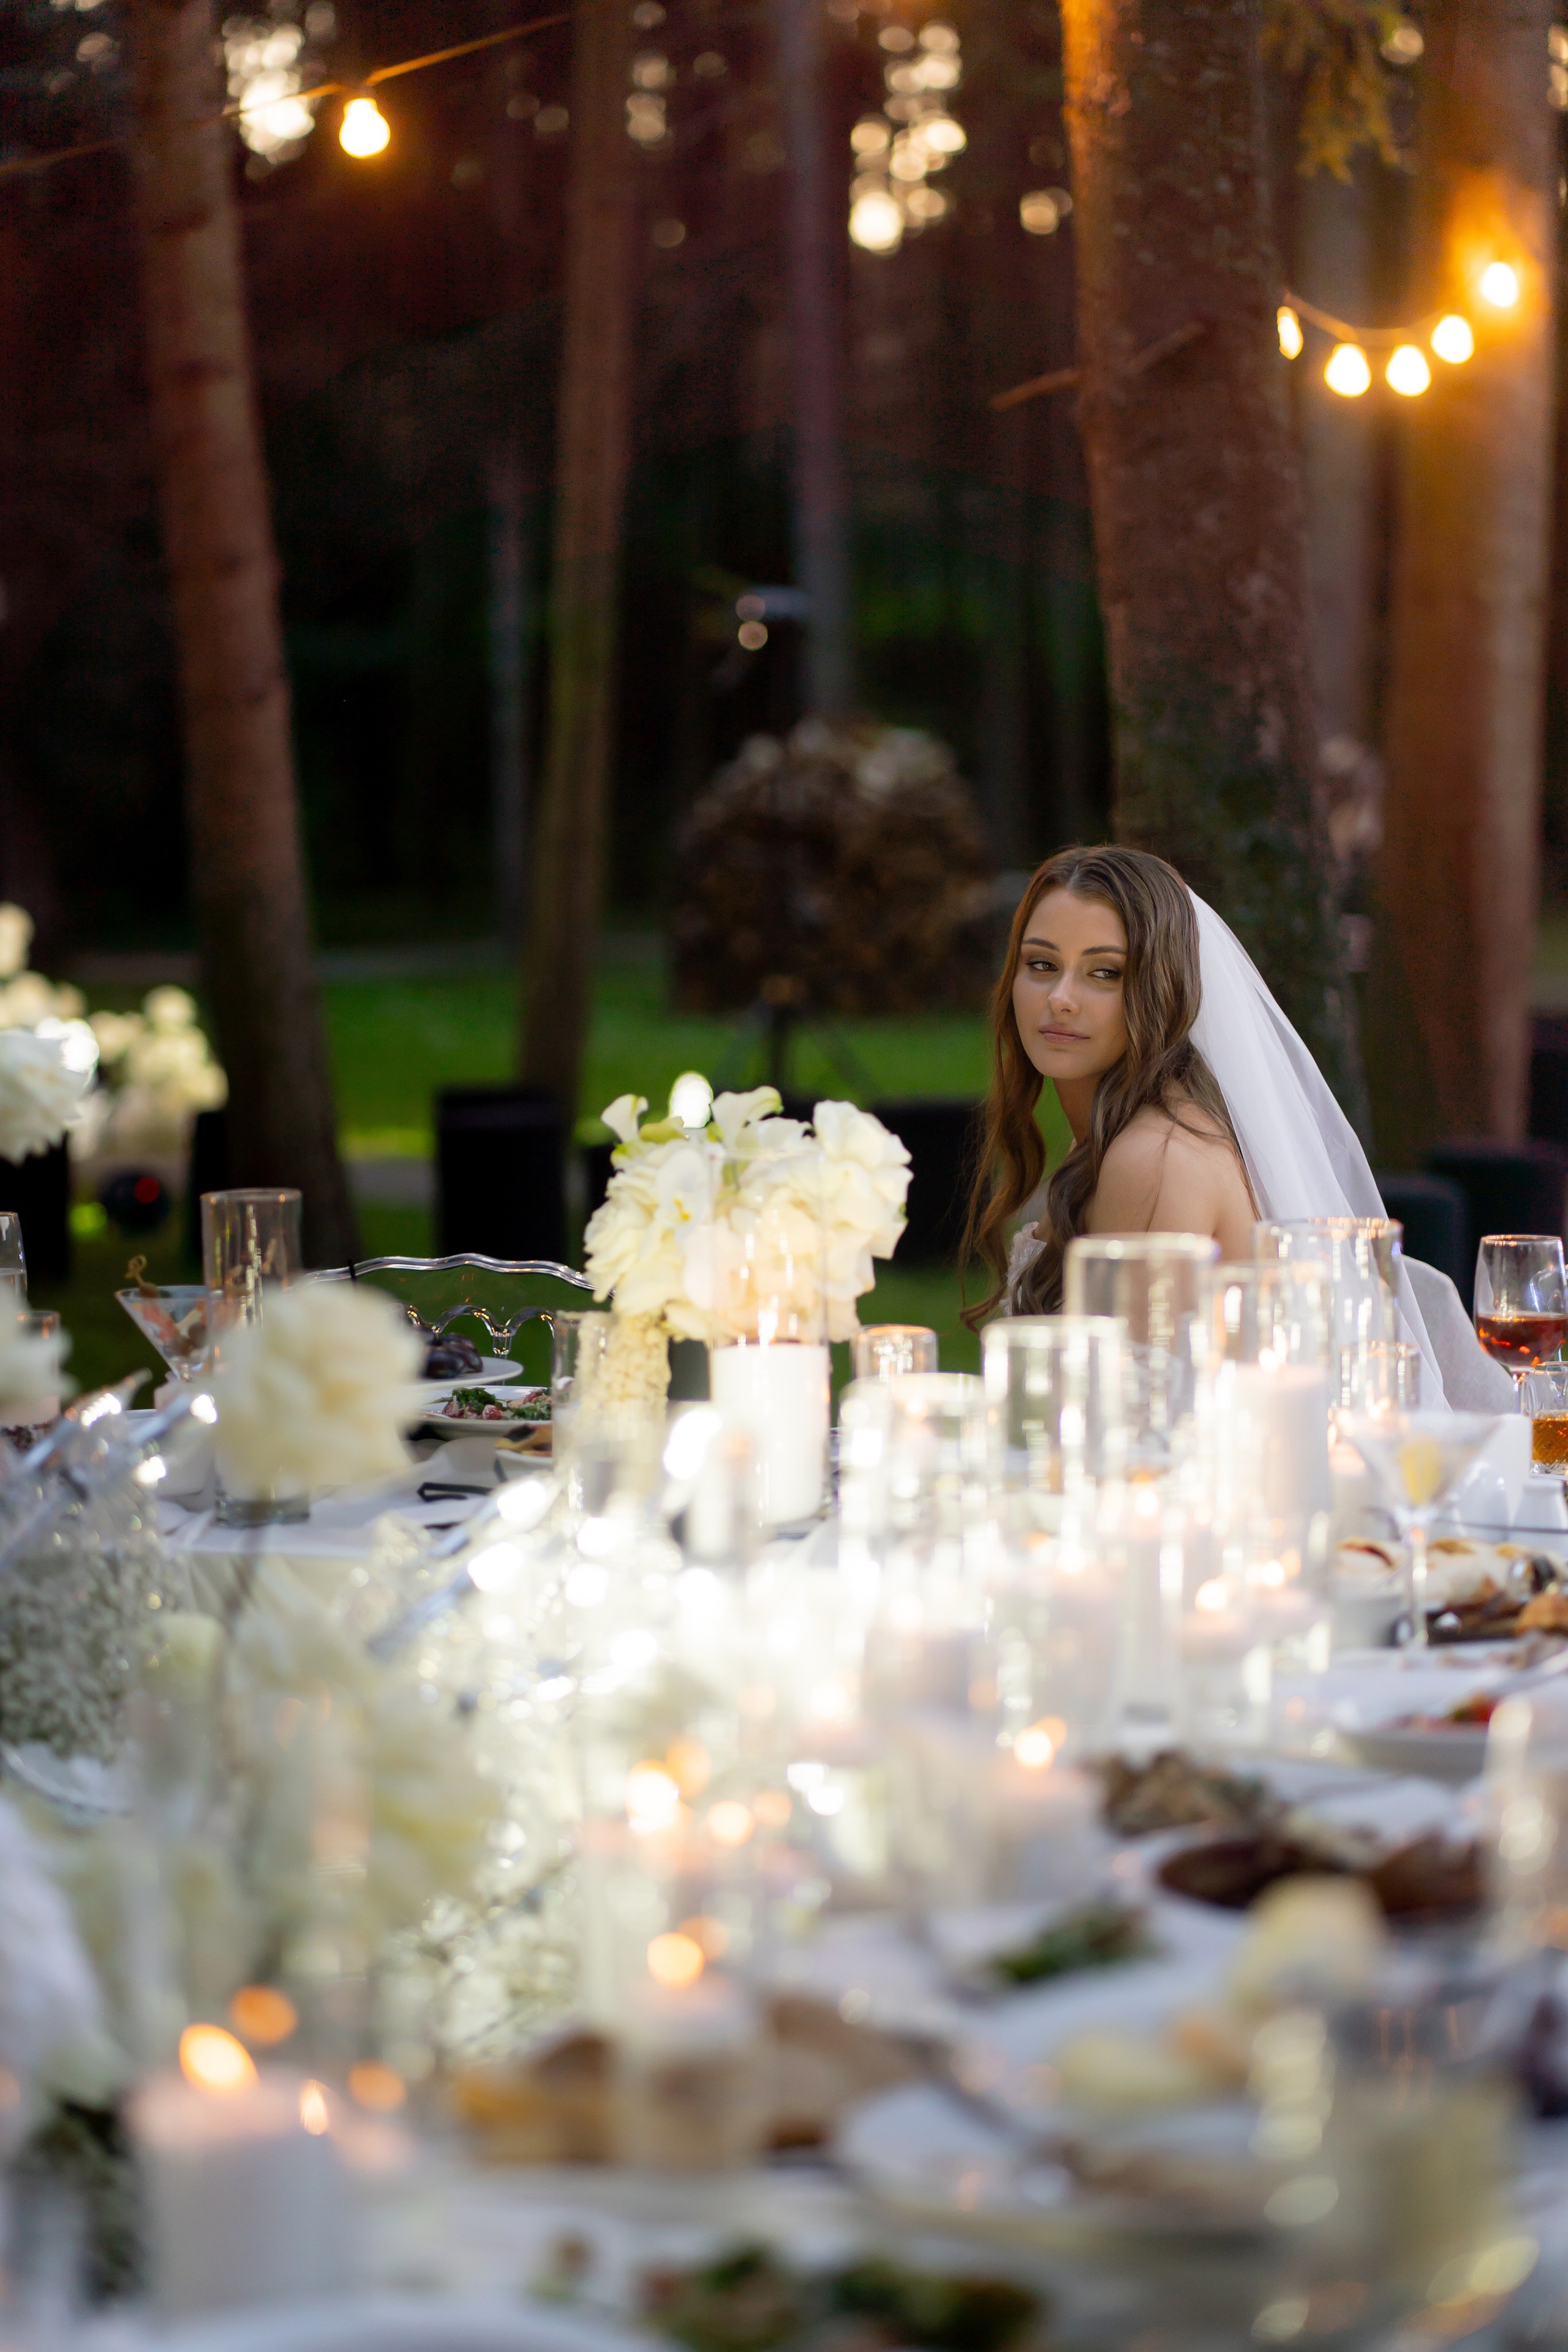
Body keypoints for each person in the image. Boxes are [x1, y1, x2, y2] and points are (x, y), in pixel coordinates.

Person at [960, 845, 1510, 1412]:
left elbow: (1132, 1431)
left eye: (1104, 973)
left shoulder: (1154, 1157)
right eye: (1042, 965)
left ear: (1160, 989)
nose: (1060, 999)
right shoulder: (1120, 1131)